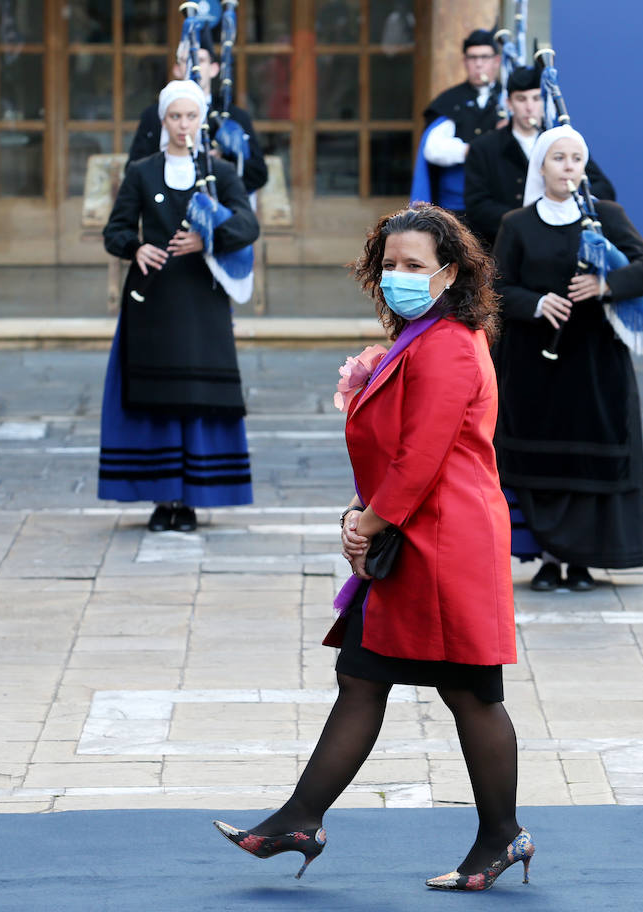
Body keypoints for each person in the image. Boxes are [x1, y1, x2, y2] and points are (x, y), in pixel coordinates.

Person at [212, 204, 532, 893]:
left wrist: (368, 521)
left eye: (414, 266)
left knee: (471, 692)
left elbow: (422, 455)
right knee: (363, 675)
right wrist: (373, 510)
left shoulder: (447, 343)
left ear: (450, 272)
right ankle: (301, 817)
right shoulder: (425, 335)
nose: (398, 277)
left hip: (444, 543)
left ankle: (502, 835)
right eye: (390, 265)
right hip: (417, 538)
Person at [491, 125, 643, 591]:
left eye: (576, 159)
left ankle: (582, 560)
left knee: (588, 462)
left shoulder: (604, 216)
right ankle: (547, 559)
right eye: (559, 159)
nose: (569, 167)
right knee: (540, 464)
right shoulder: (517, 224)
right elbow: (497, 289)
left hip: (594, 362)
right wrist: (538, 303)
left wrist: (606, 286)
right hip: (534, 364)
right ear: (541, 166)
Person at [100, 81, 259, 531]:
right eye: (175, 117)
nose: (183, 125)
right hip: (152, 302)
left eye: (191, 117)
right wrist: (135, 248)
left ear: (200, 120)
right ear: (163, 121)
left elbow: (247, 225)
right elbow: (114, 230)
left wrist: (208, 236)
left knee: (195, 398)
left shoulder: (220, 172)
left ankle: (189, 501)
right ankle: (161, 499)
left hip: (201, 302)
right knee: (157, 399)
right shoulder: (142, 171)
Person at [462, 66, 617, 248]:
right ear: (509, 103)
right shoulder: (484, 148)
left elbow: (603, 189)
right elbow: (477, 207)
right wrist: (526, 222)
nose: (529, 108)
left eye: (536, 98)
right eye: (521, 99)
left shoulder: (562, 143)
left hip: (565, 241)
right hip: (504, 245)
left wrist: (563, 208)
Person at [125, 39, 268, 198]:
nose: (194, 68)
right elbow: (135, 171)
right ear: (177, 69)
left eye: (200, 60)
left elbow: (258, 175)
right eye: (187, 60)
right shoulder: (154, 115)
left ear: (214, 69)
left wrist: (226, 162)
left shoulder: (234, 116)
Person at [410, 29, 503, 214]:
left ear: (496, 61)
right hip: (455, 207)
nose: (478, 64)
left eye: (484, 57)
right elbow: (433, 149)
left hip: (498, 203)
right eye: (472, 58)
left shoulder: (510, 99)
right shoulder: (449, 100)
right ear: (464, 62)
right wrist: (472, 150)